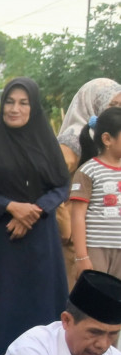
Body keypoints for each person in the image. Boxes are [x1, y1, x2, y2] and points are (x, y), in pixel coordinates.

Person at [0, 78, 70, 355]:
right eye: (10, 102)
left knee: (39, 310)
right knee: (0, 310)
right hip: (0, 241)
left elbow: (61, 185)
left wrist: (35, 210)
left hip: (40, 242)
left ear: (34, 107)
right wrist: (11, 206)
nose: (15, 109)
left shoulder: (46, 142)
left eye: (23, 103)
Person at [55, 79, 121, 282]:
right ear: (93, 103)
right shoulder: (72, 142)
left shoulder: (116, 145)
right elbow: (53, 183)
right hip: (74, 237)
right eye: (113, 105)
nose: (118, 110)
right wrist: (66, 228)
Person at [70, 108, 121, 283]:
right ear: (107, 139)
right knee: (95, 304)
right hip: (97, 250)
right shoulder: (88, 171)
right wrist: (82, 257)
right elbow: (77, 216)